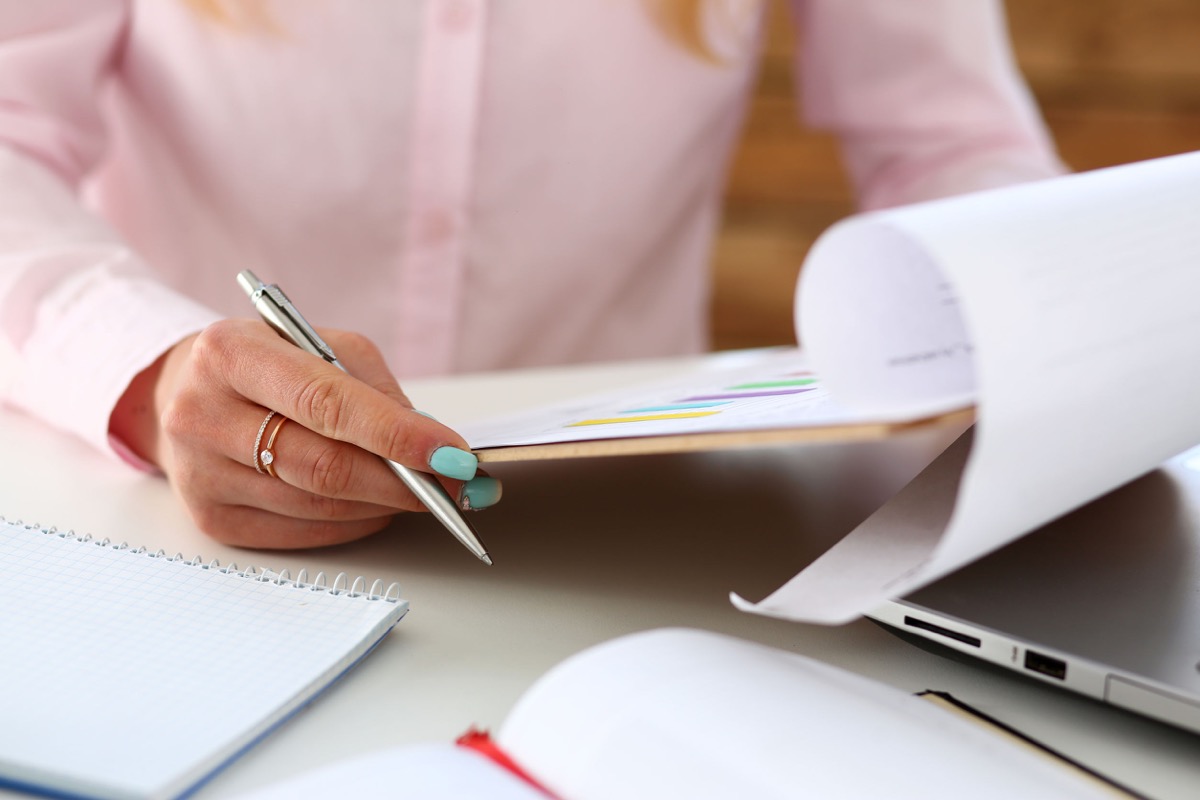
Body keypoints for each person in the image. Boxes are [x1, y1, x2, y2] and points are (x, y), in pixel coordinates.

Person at [0, 1, 1064, 550]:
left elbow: (951, 140)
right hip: (186, 517)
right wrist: (147, 364)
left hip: (625, 536)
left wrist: (1059, 302)